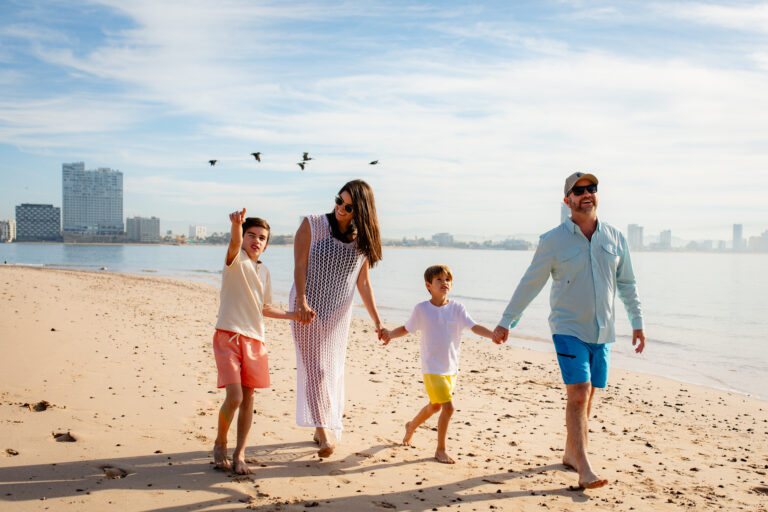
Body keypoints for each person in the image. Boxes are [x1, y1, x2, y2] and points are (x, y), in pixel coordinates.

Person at [493, 172, 645, 489]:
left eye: (592, 188)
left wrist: (637, 322)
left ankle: (571, 453)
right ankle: (585, 468)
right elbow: (530, 282)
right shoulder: (553, 240)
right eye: (579, 190)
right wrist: (507, 320)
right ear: (567, 200)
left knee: (588, 395)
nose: (587, 193)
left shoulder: (615, 237)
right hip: (568, 327)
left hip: (603, 331)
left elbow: (627, 283)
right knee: (578, 392)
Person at [290, 179, 385, 458]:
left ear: (361, 211)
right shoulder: (312, 224)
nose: (341, 208)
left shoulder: (362, 238)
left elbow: (363, 283)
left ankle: (320, 423)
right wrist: (301, 301)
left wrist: (378, 322)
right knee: (316, 370)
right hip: (307, 308)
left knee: (330, 369)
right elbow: (300, 265)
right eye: (338, 201)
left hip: (337, 313)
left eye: (349, 206)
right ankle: (323, 432)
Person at [380, 264, 500, 464]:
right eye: (439, 280)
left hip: (451, 369)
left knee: (435, 406)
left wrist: (492, 335)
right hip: (432, 368)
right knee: (449, 408)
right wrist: (390, 335)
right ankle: (440, 450)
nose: (445, 283)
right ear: (428, 285)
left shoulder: (457, 308)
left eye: (447, 279)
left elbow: (474, 326)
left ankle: (411, 426)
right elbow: (407, 328)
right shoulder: (422, 309)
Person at [212, 208, 302, 474]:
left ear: (266, 245)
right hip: (228, 336)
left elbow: (265, 308)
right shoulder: (235, 260)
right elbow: (234, 242)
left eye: (262, 238)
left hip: (255, 341)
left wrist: (295, 315)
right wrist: (236, 226)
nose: (256, 240)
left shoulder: (264, 272)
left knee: (249, 398)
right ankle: (220, 441)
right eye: (251, 235)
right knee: (235, 397)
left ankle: (240, 453)